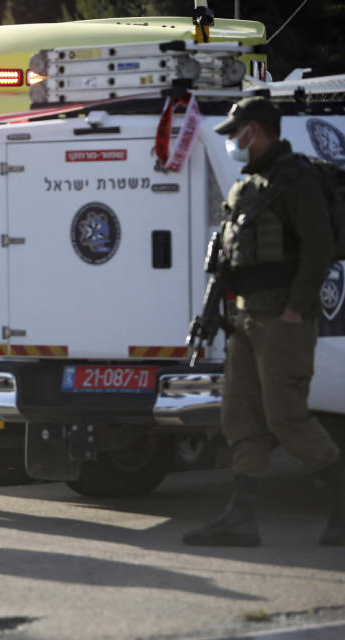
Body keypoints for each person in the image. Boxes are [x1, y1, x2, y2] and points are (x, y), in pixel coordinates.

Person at [183, 96, 343, 547]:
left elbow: (319, 248)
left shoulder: (298, 179)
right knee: (240, 416)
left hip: (283, 319)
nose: (233, 141)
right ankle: (241, 519)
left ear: (257, 129)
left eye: (237, 132)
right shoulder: (247, 186)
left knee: (287, 417)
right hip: (247, 316)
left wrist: (296, 307)